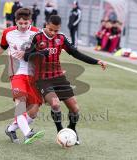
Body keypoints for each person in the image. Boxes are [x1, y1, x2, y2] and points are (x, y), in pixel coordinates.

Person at [24, 15, 107, 145]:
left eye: (56, 30)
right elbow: (26, 56)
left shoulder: (61, 38)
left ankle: (72, 130)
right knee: (55, 104)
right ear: (46, 24)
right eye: (51, 29)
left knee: (74, 108)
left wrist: (96, 61)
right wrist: (40, 54)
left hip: (58, 77)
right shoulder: (36, 37)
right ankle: (60, 131)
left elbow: (76, 53)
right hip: (42, 78)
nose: (53, 33)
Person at [0, 8, 44, 144]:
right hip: (16, 73)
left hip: (33, 75)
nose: (23, 26)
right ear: (16, 21)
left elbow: (42, 53)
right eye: (20, 23)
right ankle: (28, 133)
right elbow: (1, 47)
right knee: (20, 103)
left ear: (30, 21)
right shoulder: (8, 33)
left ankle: (11, 128)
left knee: (33, 112)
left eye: (25, 23)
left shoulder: (37, 33)